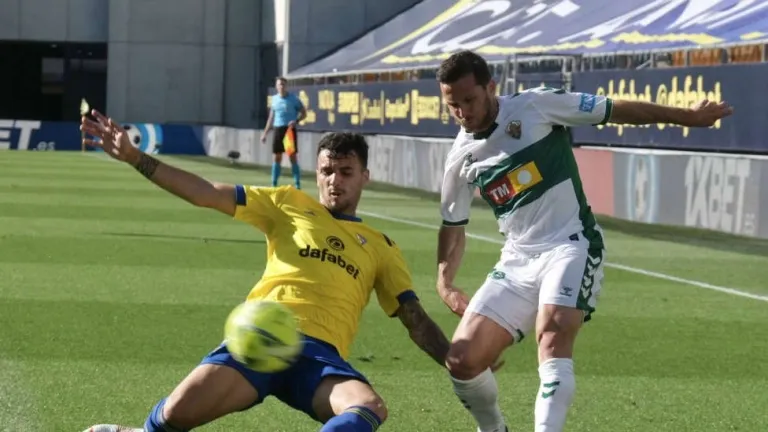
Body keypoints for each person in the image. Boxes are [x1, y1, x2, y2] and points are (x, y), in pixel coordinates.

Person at [79, 111, 451, 432]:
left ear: (364, 176)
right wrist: (136, 157)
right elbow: (206, 192)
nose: (335, 180)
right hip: (258, 337)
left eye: (346, 172)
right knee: (171, 418)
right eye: (327, 171)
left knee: (368, 407)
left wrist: (458, 364)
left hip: (319, 357)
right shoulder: (288, 202)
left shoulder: (382, 246)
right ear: (317, 173)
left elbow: (414, 319)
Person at [434, 50, 733, 432]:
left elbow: (614, 110)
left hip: (569, 244)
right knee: (461, 361)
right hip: (517, 260)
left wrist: (686, 117)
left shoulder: (536, 106)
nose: (462, 112)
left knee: (552, 332)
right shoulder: (460, 157)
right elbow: (453, 224)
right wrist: (444, 282)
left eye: (469, 100)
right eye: (453, 105)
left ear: (491, 87)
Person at [261, 76, 307, 189]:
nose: (281, 86)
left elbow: (304, 113)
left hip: (289, 130)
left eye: (283, 84)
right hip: (278, 129)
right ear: (276, 86)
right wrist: (265, 133)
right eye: (279, 84)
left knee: (292, 156)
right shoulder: (274, 99)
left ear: (286, 86)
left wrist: (296, 121)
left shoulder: (293, 99)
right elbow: (271, 118)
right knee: (277, 157)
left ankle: (297, 184)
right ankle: (274, 183)